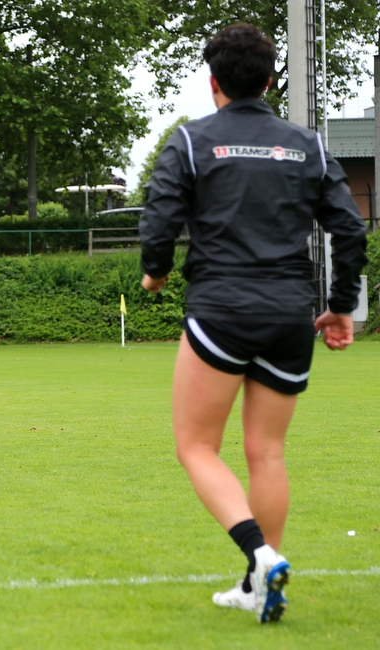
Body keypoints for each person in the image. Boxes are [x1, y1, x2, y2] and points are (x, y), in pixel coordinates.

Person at [139, 24, 368, 624]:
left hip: (219, 312)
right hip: (291, 314)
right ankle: (256, 579)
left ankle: (259, 556)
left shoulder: (191, 142)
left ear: (212, 82)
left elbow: (159, 214)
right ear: (269, 80)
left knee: (196, 446)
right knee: (267, 451)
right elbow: (349, 228)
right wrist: (341, 306)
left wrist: (156, 273)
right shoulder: (308, 145)